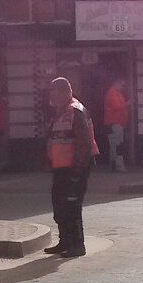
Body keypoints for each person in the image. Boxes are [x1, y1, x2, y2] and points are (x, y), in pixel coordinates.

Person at [43, 77, 97, 257]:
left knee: (72, 206)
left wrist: (78, 169)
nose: (52, 97)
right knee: (59, 205)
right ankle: (65, 241)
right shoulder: (60, 112)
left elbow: (84, 143)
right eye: (51, 93)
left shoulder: (76, 111)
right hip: (61, 167)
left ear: (66, 92)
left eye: (55, 93)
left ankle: (77, 244)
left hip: (74, 167)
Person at [100, 77, 131, 172]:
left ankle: (113, 164)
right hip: (114, 122)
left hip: (116, 122)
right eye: (122, 85)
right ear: (117, 83)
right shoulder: (112, 93)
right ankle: (119, 166)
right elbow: (116, 106)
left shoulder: (116, 93)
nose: (123, 87)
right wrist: (127, 104)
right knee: (117, 145)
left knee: (114, 144)